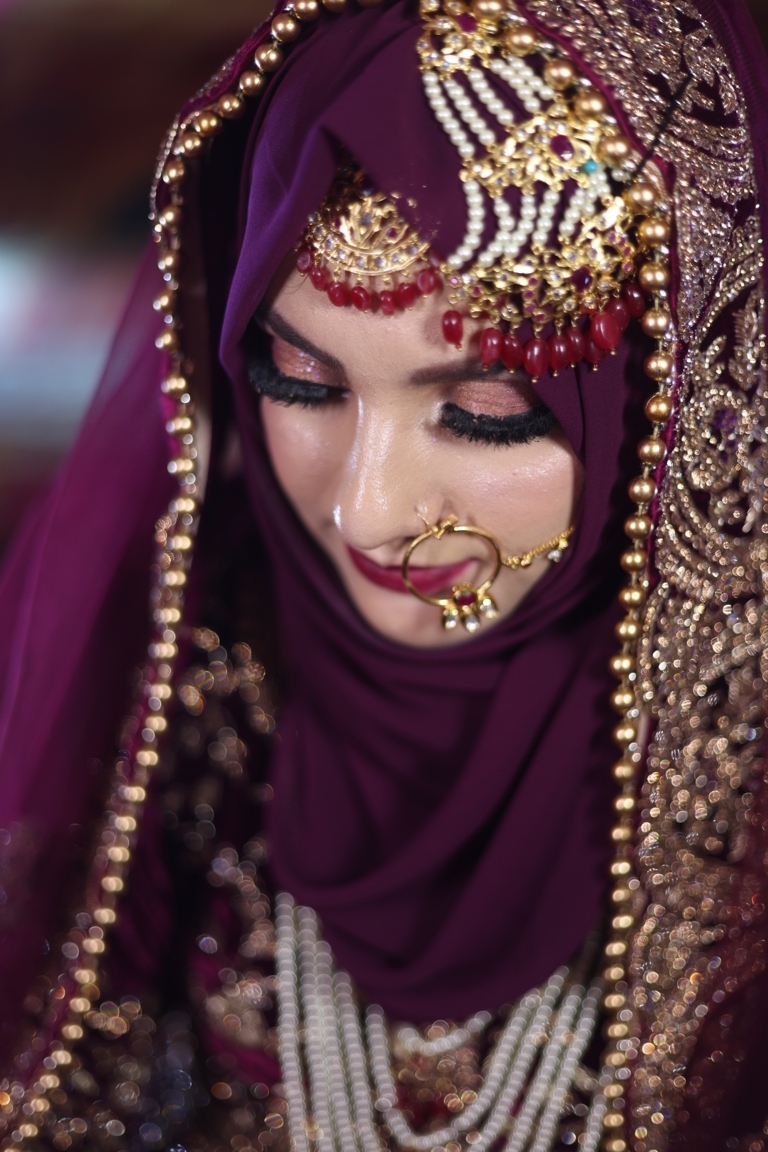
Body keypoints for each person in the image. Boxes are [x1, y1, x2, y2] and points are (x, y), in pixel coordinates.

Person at [0, 0, 766, 1148]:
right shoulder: (168, 704)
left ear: (697, 394)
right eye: (302, 382)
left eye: (484, 413)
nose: (367, 509)